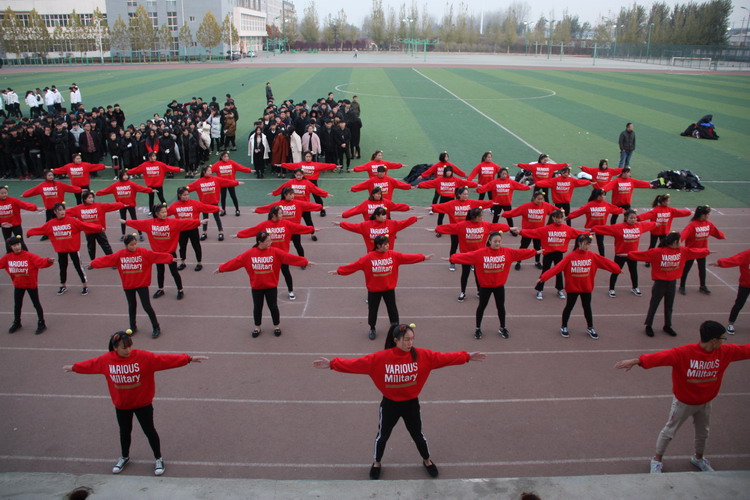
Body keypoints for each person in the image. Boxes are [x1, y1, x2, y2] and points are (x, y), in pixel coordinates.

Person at [312, 323, 486, 479]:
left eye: (412, 339)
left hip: (411, 404)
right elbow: (355, 364)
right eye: (406, 340)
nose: (410, 343)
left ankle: (427, 460)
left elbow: (444, 358)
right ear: (395, 340)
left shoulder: (422, 356)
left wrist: (466, 356)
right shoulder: (380, 358)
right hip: (390, 405)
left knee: (418, 435)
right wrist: (333, 364)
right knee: (382, 436)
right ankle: (377, 462)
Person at [63, 330, 208, 475]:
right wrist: (74, 368)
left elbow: (164, 360)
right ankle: (124, 457)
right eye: (124, 348)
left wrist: (188, 359)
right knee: (124, 432)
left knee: (149, 431)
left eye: (130, 346)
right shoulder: (106, 360)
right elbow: (90, 365)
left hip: (143, 405)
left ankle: (158, 458)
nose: (128, 350)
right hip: (122, 406)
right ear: (115, 348)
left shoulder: (143, 357)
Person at [614, 320, 750, 473]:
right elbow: (660, 357)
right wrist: (636, 361)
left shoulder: (726, 352)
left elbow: (745, 350)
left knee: (703, 433)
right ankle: (656, 460)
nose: (724, 341)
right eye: (723, 338)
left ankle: (698, 458)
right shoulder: (684, 353)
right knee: (669, 432)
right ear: (713, 340)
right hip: (683, 403)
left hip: (705, 402)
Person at [330, 235, 433, 340]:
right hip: (374, 290)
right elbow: (354, 266)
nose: (388, 245)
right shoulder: (367, 258)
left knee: (392, 308)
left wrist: (422, 257)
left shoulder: (393, 255)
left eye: (388, 243)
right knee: (373, 310)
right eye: (385, 244)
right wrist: (340, 271)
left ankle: (395, 326)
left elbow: (407, 257)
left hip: (389, 289)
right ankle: (372, 328)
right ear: (378, 246)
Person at [216, 231, 309, 337]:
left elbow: (288, 257)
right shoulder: (249, 254)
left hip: (271, 286)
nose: (271, 242)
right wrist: (222, 268)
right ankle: (257, 327)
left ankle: (276, 326)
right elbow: (236, 262)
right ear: (260, 242)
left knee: (273, 306)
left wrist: (304, 262)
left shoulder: (275, 251)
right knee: (257, 307)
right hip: (257, 287)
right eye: (268, 241)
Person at [449, 232, 536, 339]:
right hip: (485, 287)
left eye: (499, 241)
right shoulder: (481, 253)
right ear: (490, 241)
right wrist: (452, 259)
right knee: (481, 307)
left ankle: (502, 327)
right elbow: (466, 256)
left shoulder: (507, 252)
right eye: (495, 241)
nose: (497, 243)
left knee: (501, 307)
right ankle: (478, 328)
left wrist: (535, 252)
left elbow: (520, 253)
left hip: (499, 286)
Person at [538, 234, 621, 339]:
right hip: (573, 289)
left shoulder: (592, 255)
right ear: (579, 243)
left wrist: (617, 269)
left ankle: (590, 327)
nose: (587, 246)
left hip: (586, 288)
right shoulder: (570, 257)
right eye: (585, 244)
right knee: (569, 307)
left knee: (587, 308)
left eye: (589, 244)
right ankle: (564, 326)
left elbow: (605, 262)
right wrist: (543, 277)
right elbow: (557, 268)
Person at [628, 232, 710, 337]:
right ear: (675, 242)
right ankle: (648, 325)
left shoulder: (682, 251)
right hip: (660, 283)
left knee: (669, 305)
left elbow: (694, 252)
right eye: (679, 241)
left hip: (672, 282)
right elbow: (643, 255)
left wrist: (706, 251)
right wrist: (629, 254)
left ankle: (667, 325)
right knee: (654, 305)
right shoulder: (658, 252)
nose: (681, 243)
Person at [428, 208, 516, 302]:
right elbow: (450, 227)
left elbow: (496, 226)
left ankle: (479, 291)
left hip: (479, 256)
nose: (482, 217)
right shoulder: (463, 225)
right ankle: (463, 292)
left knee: (479, 275)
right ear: (474, 217)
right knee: (465, 274)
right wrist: (437, 229)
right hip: (466, 255)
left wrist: (509, 228)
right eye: (480, 216)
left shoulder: (485, 225)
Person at [91, 235, 173, 337]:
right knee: (132, 306)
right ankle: (133, 327)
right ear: (126, 245)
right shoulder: (120, 255)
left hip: (142, 284)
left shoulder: (143, 252)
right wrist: (94, 264)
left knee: (147, 306)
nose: (134, 246)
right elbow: (108, 259)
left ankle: (156, 327)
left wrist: (170, 258)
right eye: (131, 245)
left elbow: (156, 256)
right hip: (128, 285)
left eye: (135, 244)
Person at [236, 207, 315, 300]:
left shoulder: (285, 223)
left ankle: (290, 291)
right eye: (280, 213)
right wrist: (239, 235)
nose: (282, 215)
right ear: (274, 215)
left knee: (286, 273)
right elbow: (253, 230)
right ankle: (264, 291)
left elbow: (298, 227)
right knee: (267, 274)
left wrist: (311, 229)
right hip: (269, 255)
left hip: (282, 255)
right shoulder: (265, 225)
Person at [125, 205, 201, 300]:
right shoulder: (149, 223)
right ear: (157, 214)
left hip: (170, 253)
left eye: (165, 212)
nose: (165, 214)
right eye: (162, 212)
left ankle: (180, 290)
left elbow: (185, 222)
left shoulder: (173, 222)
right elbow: (138, 223)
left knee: (174, 272)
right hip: (157, 254)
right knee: (160, 272)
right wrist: (126, 222)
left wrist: (199, 222)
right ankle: (160, 289)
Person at [27, 202, 101, 296]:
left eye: (63, 210)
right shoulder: (51, 224)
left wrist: (99, 228)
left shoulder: (72, 221)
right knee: (62, 268)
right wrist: (29, 232)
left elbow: (85, 225)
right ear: (55, 212)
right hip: (61, 250)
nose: (62, 212)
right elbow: (41, 229)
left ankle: (85, 286)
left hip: (73, 250)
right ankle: (63, 286)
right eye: (59, 210)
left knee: (78, 267)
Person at [523, 209, 589, 300]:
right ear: (553, 218)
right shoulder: (546, 229)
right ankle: (539, 290)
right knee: (545, 271)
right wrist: (520, 232)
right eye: (557, 218)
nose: (559, 220)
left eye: (561, 218)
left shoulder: (567, 229)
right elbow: (533, 232)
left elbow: (577, 233)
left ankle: (559, 289)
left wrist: (589, 233)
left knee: (559, 272)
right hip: (548, 254)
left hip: (559, 254)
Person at [592, 209, 656, 298]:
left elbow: (651, 224)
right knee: (615, 271)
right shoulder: (618, 227)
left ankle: (635, 287)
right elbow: (606, 229)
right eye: (631, 218)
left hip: (633, 255)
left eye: (635, 218)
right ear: (626, 218)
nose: (633, 220)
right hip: (620, 254)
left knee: (633, 271)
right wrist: (594, 229)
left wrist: (658, 224)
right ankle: (611, 289)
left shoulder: (639, 226)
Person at [0, 236, 53, 334]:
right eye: (14, 246)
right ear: (10, 247)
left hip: (31, 285)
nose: (17, 247)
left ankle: (41, 323)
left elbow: (40, 261)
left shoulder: (29, 256)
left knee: (36, 304)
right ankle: (17, 322)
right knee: (17, 305)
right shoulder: (8, 257)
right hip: (18, 285)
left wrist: (48, 261)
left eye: (18, 244)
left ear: (21, 244)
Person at [431, 187, 493, 270]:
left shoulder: (471, 202)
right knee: (454, 246)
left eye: (467, 194)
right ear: (459, 194)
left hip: (467, 230)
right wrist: (433, 207)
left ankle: (471, 262)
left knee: (470, 247)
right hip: (455, 229)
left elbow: (481, 203)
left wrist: (491, 203)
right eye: (464, 194)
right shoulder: (452, 203)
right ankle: (452, 262)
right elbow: (441, 206)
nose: (466, 196)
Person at [256, 187, 323, 257]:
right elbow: (268, 207)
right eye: (290, 194)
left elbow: (308, 205)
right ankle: (279, 259)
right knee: (281, 247)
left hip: (294, 229)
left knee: (298, 245)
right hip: (282, 230)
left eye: (293, 194)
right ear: (285, 195)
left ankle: (302, 259)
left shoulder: (297, 203)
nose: (292, 196)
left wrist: (320, 207)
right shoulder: (278, 204)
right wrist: (257, 210)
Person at [168, 187, 220, 272]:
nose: (186, 196)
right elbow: (166, 213)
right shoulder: (175, 205)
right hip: (181, 230)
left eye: (187, 194)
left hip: (193, 229)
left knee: (196, 246)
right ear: (179, 195)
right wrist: (156, 214)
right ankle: (183, 262)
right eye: (184, 195)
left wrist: (217, 209)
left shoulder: (194, 203)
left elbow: (205, 207)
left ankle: (199, 263)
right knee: (182, 247)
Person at [503, 191, 557, 271]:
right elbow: (514, 212)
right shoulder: (526, 206)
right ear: (534, 198)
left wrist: (561, 211)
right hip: (527, 232)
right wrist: (504, 214)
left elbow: (555, 210)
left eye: (541, 199)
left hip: (538, 232)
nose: (540, 201)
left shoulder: (545, 205)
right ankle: (518, 262)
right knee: (523, 247)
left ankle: (537, 262)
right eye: (538, 199)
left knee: (537, 247)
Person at [66, 190, 123, 265]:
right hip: (89, 232)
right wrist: (55, 213)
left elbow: (111, 205)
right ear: (85, 199)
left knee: (106, 246)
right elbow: (66, 212)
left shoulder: (99, 205)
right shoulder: (78, 208)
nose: (91, 199)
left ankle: (112, 261)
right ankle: (93, 262)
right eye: (89, 198)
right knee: (91, 248)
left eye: (92, 197)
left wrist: (121, 204)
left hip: (99, 231)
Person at [186, 165, 242, 241]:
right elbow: (189, 187)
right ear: (204, 172)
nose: (210, 172)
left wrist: (236, 182)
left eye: (211, 170)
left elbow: (226, 181)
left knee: (217, 218)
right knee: (205, 218)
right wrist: (182, 189)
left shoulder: (215, 179)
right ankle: (204, 232)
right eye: (208, 171)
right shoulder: (198, 182)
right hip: (204, 204)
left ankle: (220, 232)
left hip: (214, 203)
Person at [679, 206, 725, 296]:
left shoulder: (708, 224)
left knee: (702, 269)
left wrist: (721, 236)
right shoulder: (692, 225)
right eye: (708, 214)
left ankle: (703, 286)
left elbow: (715, 231)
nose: (709, 216)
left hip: (702, 251)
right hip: (691, 251)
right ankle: (682, 286)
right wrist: (678, 241)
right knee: (686, 268)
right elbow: (683, 234)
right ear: (703, 215)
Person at [271, 168, 330, 237]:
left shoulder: (307, 182)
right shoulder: (291, 182)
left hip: (305, 206)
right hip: (294, 206)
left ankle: (312, 233)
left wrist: (325, 194)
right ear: (294, 175)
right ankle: (292, 234)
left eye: (300, 175)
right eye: (297, 175)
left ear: (303, 175)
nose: (298, 176)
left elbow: (315, 189)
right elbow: (283, 188)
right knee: (293, 222)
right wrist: (275, 193)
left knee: (308, 220)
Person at [96, 170, 152, 242]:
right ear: (120, 176)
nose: (126, 176)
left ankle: (140, 234)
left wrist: (150, 190)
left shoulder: (131, 184)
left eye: (126, 175)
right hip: (121, 205)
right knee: (123, 219)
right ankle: (123, 234)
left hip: (130, 205)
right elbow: (106, 190)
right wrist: (97, 193)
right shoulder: (115, 185)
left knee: (135, 219)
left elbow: (140, 188)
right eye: (124, 175)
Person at [567, 188, 623, 256]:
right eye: (602, 195)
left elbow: (615, 209)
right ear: (597, 196)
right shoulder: (589, 205)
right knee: (585, 242)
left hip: (601, 228)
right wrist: (570, 216)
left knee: (600, 243)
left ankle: (602, 257)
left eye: (604, 195)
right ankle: (579, 255)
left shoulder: (606, 204)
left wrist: (623, 211)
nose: (604, 197)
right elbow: (579, 211)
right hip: (590, 229)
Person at [334, 207, 420, 251]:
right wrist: (341, 224)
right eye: (382, 215)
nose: (384, 217)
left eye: (385, 215)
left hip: (388, 254)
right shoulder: (366, 225)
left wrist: (415, 219)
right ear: (376, 216)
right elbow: (353, 226)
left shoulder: (392, 224)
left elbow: (404, 222)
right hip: (372, 254)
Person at [637, 194, 692, 260]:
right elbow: (647, 215)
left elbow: (680, 212)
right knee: (652, 245)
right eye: (667, 201)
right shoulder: (656, 210)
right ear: (663, 202)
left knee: (663, 246)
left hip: (664, 232)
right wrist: (637, 218)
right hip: (655, 231)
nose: (669, 202)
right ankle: (648, 259)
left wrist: (688, 212)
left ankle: (660, 257)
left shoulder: (670, 210)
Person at [713, 249, 750, 334]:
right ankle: (731, 324)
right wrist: (720, 263)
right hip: (745, 284)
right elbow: (734, 260)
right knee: (739, 303)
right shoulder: (746, 254)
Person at [212, 151, 253, 216]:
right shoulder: (217, 164)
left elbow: (240, 167)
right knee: (223, 197)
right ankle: (223, 211)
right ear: (221, 157)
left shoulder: (231, 163)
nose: (226, 158)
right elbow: (209, 170)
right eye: (225, 156)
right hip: (222, 184)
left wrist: (249, 170)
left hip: (231, 183)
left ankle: (237, 210)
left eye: (227, 156)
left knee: (233, 196)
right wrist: (201, 174)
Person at [0, 185, 37, 252]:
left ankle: (25, 253)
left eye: (5, 193)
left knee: (20, 240)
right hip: (4, 226)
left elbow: (24, 205)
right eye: (2, 193)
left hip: (16, 225)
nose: (4, 194)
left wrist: (34, 208)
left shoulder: (13, 200)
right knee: (7, 241)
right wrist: (1, 224)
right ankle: (9, 254)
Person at [341, 187, 410, 221]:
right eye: (377, 194)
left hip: (383, 226)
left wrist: (407, 207)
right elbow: (356, 210)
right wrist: (344, 215)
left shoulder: (386, 202)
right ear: (373, 194)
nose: (379, 195)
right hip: (371, 227)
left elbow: (396, 206)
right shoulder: (366, 203)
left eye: (380, 194)